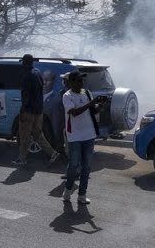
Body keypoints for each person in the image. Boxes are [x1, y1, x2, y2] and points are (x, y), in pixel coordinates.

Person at [61, 70, 107, 205]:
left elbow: (93, 110)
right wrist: (91, 103)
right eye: (78, 81)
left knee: (86, 166)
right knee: (74, 165)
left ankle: (82, 194)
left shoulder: (86, 93)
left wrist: (101, 106)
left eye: (82, 81)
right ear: (70, 83)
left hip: (89, 134)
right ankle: (68, 189)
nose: (81, 83)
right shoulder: (67, 96)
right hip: (74, 135)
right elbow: (74, 113)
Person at [11, 54, 60, 166]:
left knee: (24, 135)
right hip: (39, 110)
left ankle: (22, 159)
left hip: (29, 110)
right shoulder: (38, 72)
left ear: (25, 62)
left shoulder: (27, 75)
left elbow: (26, 94)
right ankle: (52, 153)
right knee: (38, 134)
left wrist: (23, 109)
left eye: (23, 61)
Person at [42, 69, 67, 159]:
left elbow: (56, 124)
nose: (44, 82)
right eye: (43, 79)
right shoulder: (38, 97)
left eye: (47, 80)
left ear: (53, 81)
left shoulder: (56, 99)